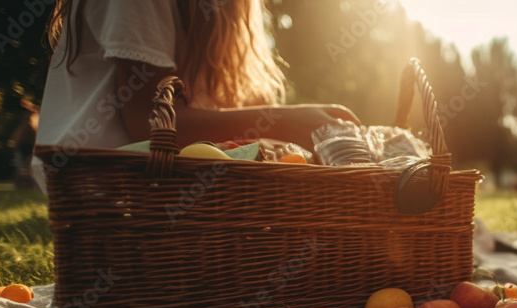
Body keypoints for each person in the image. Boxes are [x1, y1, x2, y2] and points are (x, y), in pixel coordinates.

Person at [32, 0, 358, 191]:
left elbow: (221, 115)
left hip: (173, 186)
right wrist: (287, 123)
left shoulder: (223, 11)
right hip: (110, 191)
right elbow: (148, 122)